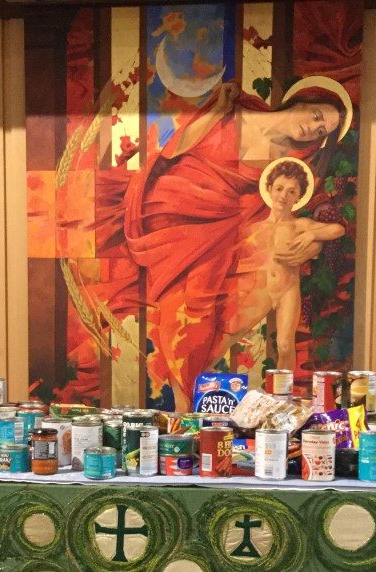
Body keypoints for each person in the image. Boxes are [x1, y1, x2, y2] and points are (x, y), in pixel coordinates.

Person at [89, 77, 353, 408]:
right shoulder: (235, 111)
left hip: (218, 230)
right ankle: (186, 404)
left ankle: (187, 406)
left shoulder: (290, 162)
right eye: (316, 116)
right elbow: (177, 147)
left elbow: (317, 218)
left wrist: (315, 237)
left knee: (196, 310)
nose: (312, 129)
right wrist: (217, 110)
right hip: (171, 206)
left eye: (321, 131)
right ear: (303, 99)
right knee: (188, 307)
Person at [219, 158, 345, 373]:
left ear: (298, 197)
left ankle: (283, 391)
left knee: (285, 345)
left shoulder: (298, 225)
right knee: (229, 337)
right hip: (259, 292)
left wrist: (312, 235)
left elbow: (337, 229)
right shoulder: (253, 228)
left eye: (291, 191)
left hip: (287, 290)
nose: (283, 196)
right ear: (269, 189)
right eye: (279, 189)